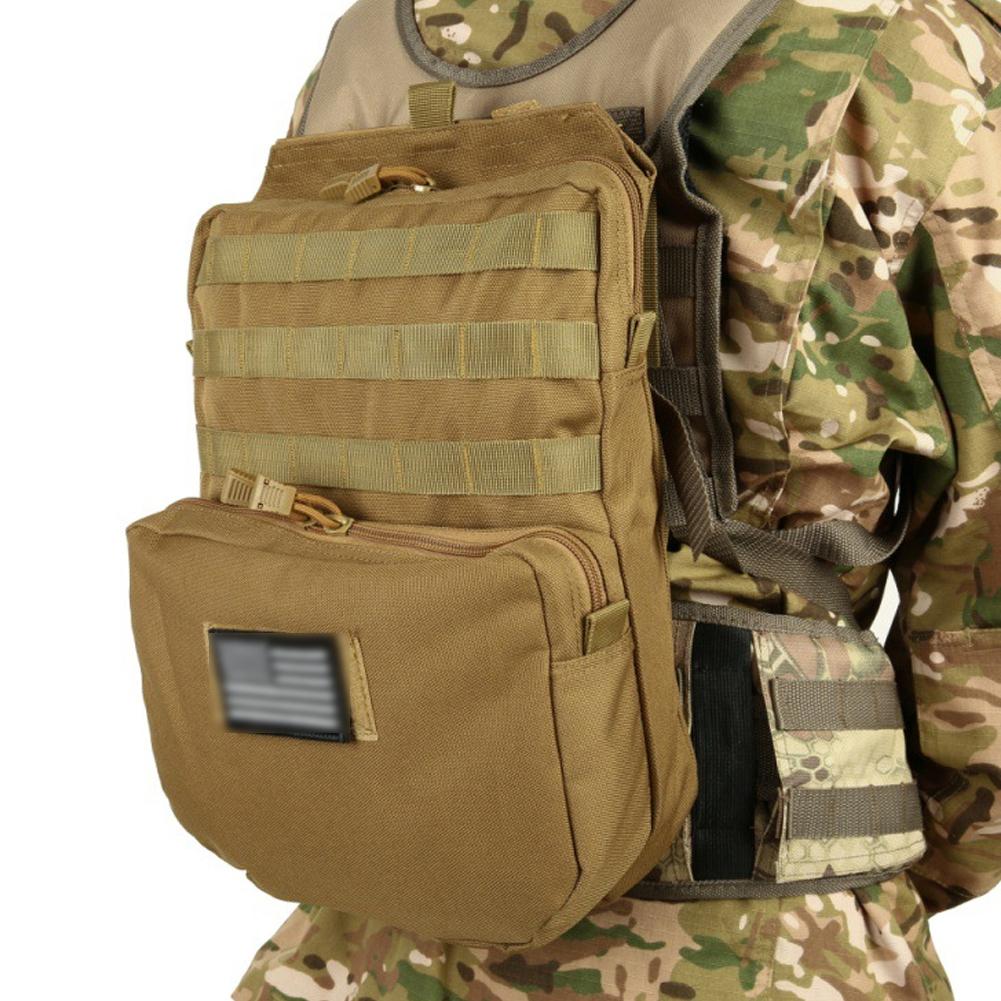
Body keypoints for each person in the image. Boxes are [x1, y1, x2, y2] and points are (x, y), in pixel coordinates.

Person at [233, 1, 1001, 997]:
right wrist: (886, 849)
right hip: (748, 935)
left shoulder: (370, 49)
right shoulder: (892, 37)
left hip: (352, 930)